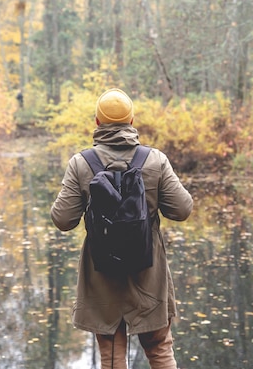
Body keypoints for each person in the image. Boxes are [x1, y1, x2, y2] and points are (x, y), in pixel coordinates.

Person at [50, 88, 193, 369]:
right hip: (148, 274)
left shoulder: (81, 164)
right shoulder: (155, 161)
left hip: (102, 276)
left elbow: (62, 219)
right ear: (131, 121)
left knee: (113, 356)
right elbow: (182, 209)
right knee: (160, 350)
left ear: (97, 123)